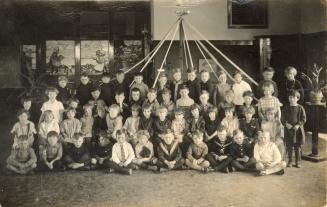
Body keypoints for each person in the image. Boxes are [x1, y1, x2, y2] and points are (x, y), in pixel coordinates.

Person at [281, 90, 306, 168]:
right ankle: (290, 161)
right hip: (288, 130)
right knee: (289, 146)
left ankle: (297, 162)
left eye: (293, 97)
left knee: (297, 146)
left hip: (297, 130)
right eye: (290, 97)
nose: (291, 99)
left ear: (297, 98)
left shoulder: (300, 108)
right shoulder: (286, 108)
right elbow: (282, 118)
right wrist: (286, 124)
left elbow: (303, 118)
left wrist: (298, 125)